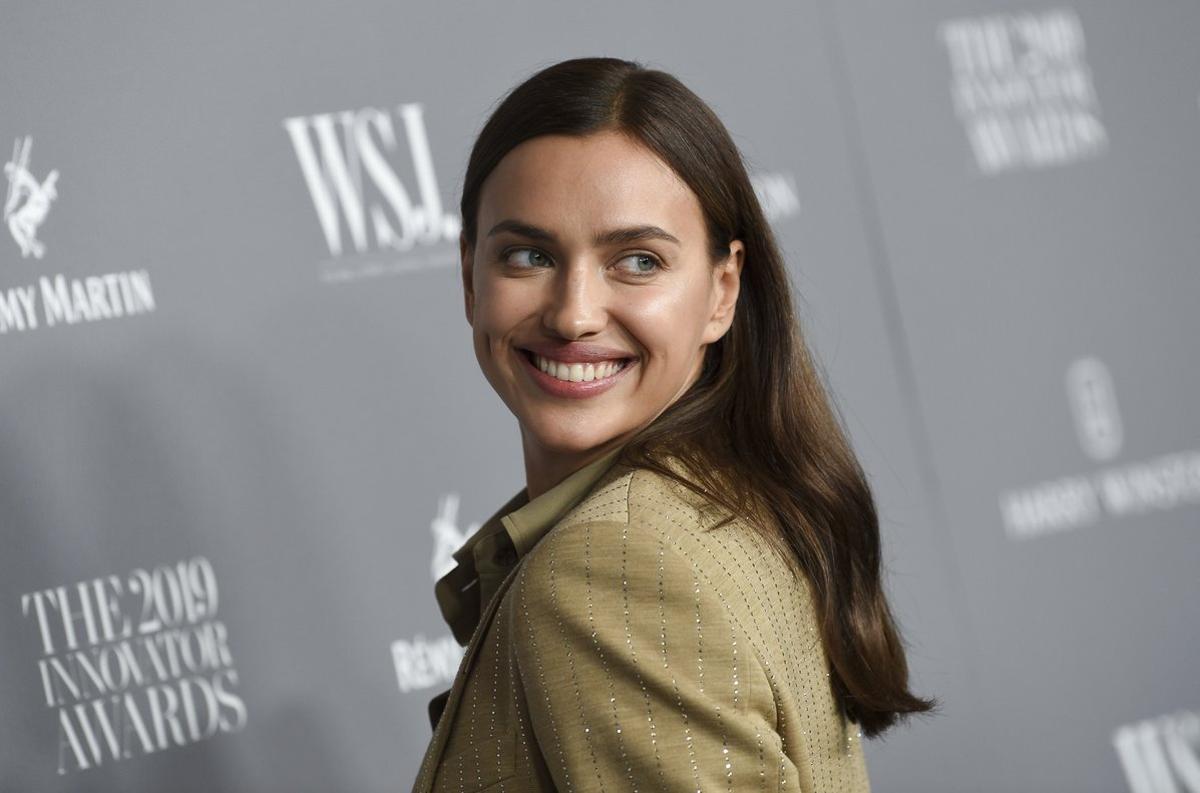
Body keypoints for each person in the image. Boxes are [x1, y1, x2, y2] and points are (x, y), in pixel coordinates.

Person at [412, 56, 936, 793]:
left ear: (723, 291)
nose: (574, 313)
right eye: (528, 255)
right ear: (470, 275)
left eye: (636, 261)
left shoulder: (610, 572)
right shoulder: (729, 505)